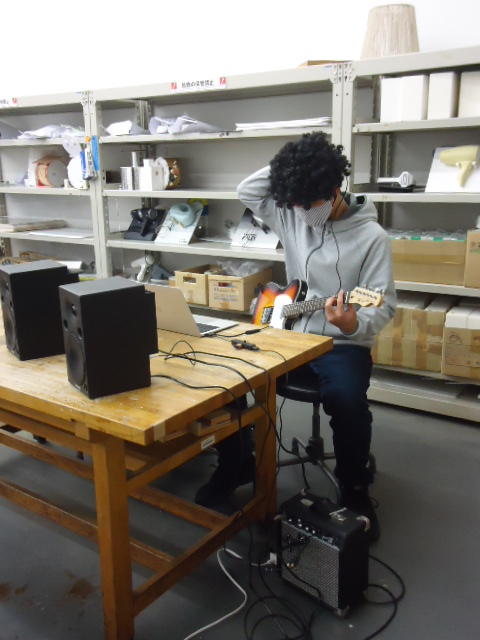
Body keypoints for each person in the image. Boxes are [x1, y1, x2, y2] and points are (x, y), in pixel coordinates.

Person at [195, 132, 396, 541]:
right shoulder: (291, 211)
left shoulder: (372, 237)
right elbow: (247, 190)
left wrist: (352, 324)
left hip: (342, 343)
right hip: (287, 331)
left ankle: (355, 489)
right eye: (295, 204)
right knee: (226, 375)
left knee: (347, 399)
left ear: (335, 188)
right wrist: (294, 164)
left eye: (310, 203)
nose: (303, 214)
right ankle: (238, 462)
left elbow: (383, 304)